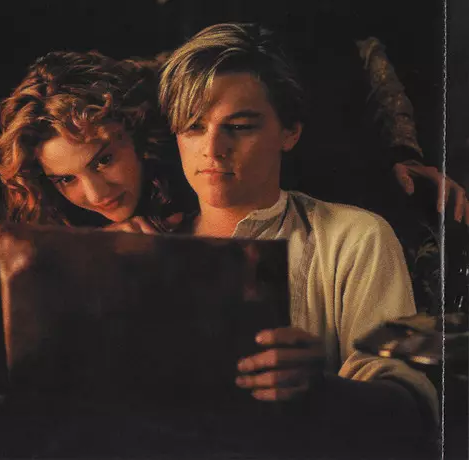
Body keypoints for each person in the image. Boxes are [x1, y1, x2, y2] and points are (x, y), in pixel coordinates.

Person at [158, 22, 439, 456]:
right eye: (194, 127)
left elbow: (409, 412)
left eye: (240, 126)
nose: (212, 149)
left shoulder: (353, 238)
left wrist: (321, 390)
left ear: (290, 132)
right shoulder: (148, 244)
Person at [0, 50, 194, 232]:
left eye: (103, 161)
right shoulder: (58, 222)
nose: (96, 195)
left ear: (138, 131)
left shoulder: (198, 168)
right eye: (66, 179)